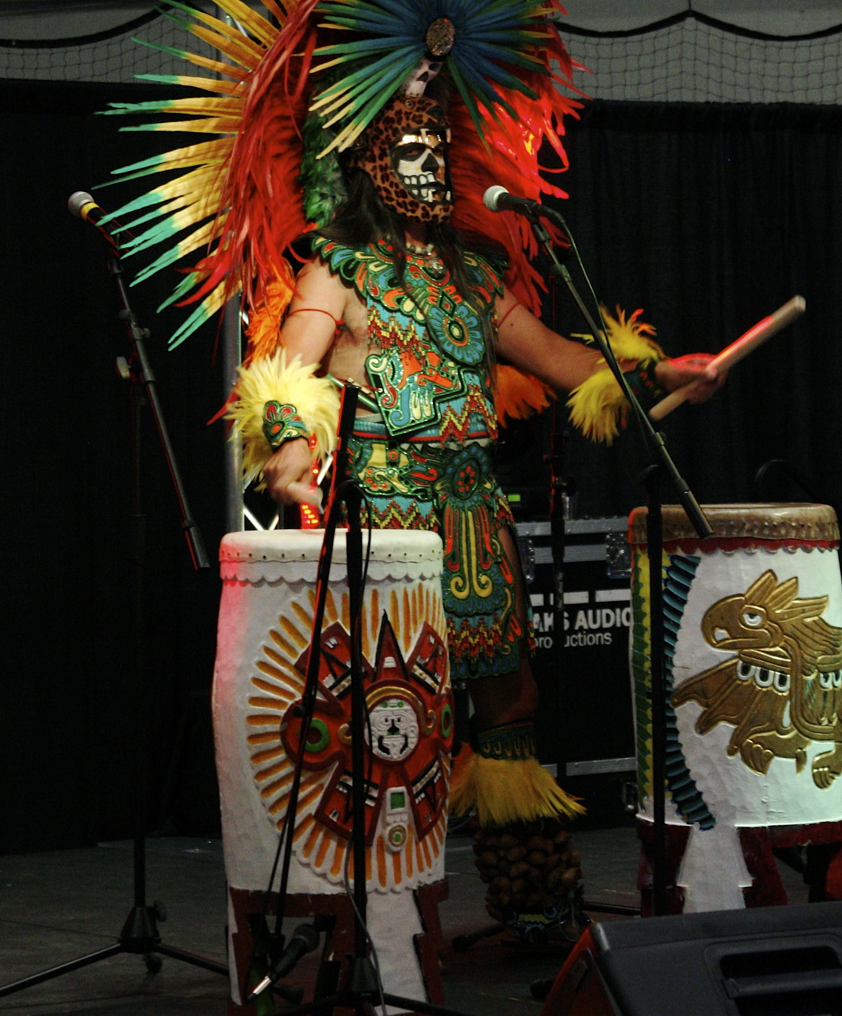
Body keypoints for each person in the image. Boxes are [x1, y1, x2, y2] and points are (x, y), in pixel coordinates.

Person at [230, 84, 723, 933]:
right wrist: (291, 451)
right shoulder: (336, 270)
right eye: (408, 151)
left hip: (470, 512)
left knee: (508, 699)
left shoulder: (471, 276)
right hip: (380, 514)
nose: (428, 168)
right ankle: (371, 896)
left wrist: (658, 374)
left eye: (436, 151)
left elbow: (569, 363)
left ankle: (530, 889)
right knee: (385, 699)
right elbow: (286, 374)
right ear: (366, 166)